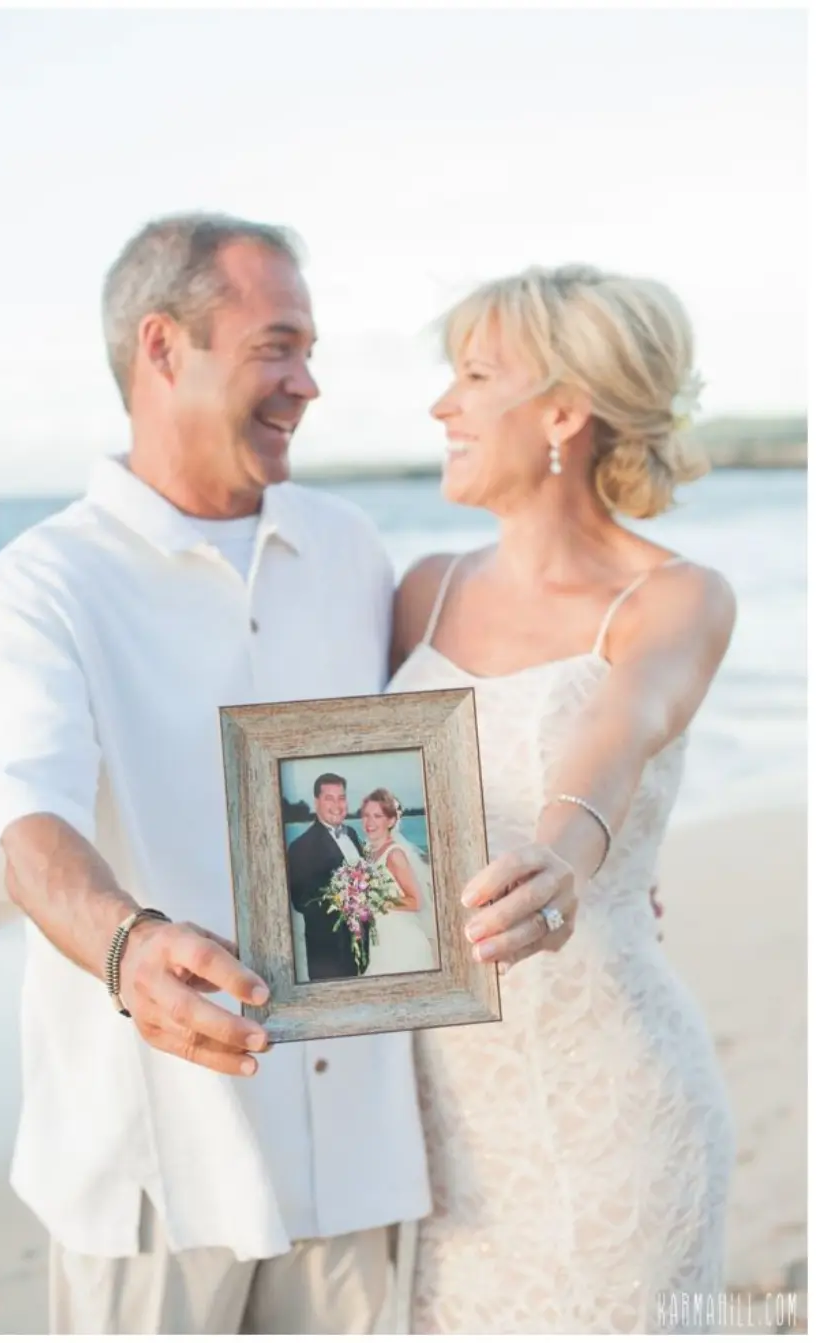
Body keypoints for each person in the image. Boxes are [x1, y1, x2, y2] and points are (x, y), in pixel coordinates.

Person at [0, 213, 432, 1334]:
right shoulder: (41, 587)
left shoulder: (352, 549)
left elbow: (415, 788)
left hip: (360, 1156)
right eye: (278, 345)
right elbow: (28, 820)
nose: (308, 383)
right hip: (156, 1170)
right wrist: (127, 944)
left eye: (310, 349)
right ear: (163, 347)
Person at [388, 265, 737, 1333]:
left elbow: (619, 726)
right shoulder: (422, 588)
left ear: (565, 409)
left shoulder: (675, 595)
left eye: (474, 373)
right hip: (441, 1125)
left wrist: (564, 855)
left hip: (612, 1102)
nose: (442, 404)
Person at [287, 773, 367, 980]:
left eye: (341, 798)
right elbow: (301, 902)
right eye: (329, 798)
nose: (337, 805)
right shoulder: (300, 847)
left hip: (364, 946)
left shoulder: (351, 834)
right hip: (330, 956)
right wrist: (343, 900)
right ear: (316, 802)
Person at [360, 789, 437, 976]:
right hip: (381, 938)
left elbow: (415, 901)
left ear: (391, 821)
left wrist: (379, 902)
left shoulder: (395, 855)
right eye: (366, 816)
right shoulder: (369, 853)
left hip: (402, 941)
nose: (370, 822)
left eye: (377, 816)